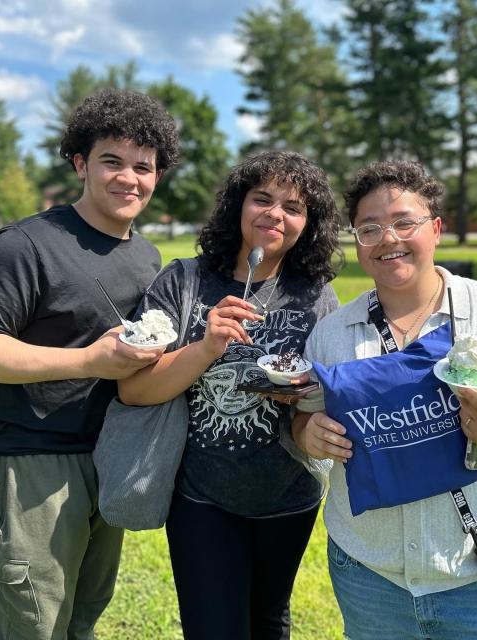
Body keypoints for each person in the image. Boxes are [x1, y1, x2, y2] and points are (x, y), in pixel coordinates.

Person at [291, 160, 477, 640]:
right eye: (370, 228)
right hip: (369, 576)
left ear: (435, 229)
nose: (388, 238)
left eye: (404, 222)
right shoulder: (331, 335)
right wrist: (308, 432)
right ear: (357, 241)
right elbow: (301, 418)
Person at [0, 88, 180, 639]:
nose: (129, 177)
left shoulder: (146, 255)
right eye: (111, 161)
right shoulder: (26, 244)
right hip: (30, 458)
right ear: (80, 163)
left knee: (81, 619)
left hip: (109, 457)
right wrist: (89, 360)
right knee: (31, 625)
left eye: (143, 167)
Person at [118, 150, 343, 640]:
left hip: (290, 497)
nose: (275, 213)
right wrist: (206, 347)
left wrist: (305, 392)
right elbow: (134, 390)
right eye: (262, 198)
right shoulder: (184, 280)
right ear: (237, 206)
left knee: (269, 620)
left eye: (293, 207)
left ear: (308, 223)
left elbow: (329, 395)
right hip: (203, 496)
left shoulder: (316, 295)